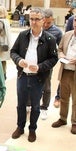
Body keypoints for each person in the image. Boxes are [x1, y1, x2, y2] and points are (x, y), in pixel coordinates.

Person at [10, 8, 58, 142]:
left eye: (37, 19)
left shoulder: (50, 39)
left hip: (38, 77)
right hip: (23, 76)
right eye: (31, 19)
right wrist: (19, 60)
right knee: (21, 104)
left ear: (43, 21)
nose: (34, 22)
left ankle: (32, 129)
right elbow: (13, 52)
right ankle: (20, 127)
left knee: (36, 106)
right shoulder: (22, 35)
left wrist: (39, 67)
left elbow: (54, 59)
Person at [51, 15, 76, 135]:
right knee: (63, 96)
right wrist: (61, 56)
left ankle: (75, 122)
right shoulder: (67, 35)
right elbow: (59, 49)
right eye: (75, 20)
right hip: (65, 70)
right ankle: (62, 118)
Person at [38, 9, 63, 120]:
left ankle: (44, 108)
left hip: (48, 64)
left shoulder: (57, 32)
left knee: (46, 87)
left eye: (49, 23)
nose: (46, 25)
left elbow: (61, 48)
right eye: (44, 22)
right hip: (34, 62)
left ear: (52, 20)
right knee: (30, 85)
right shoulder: (36, 28)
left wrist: (59, 56)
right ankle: (29, 104)